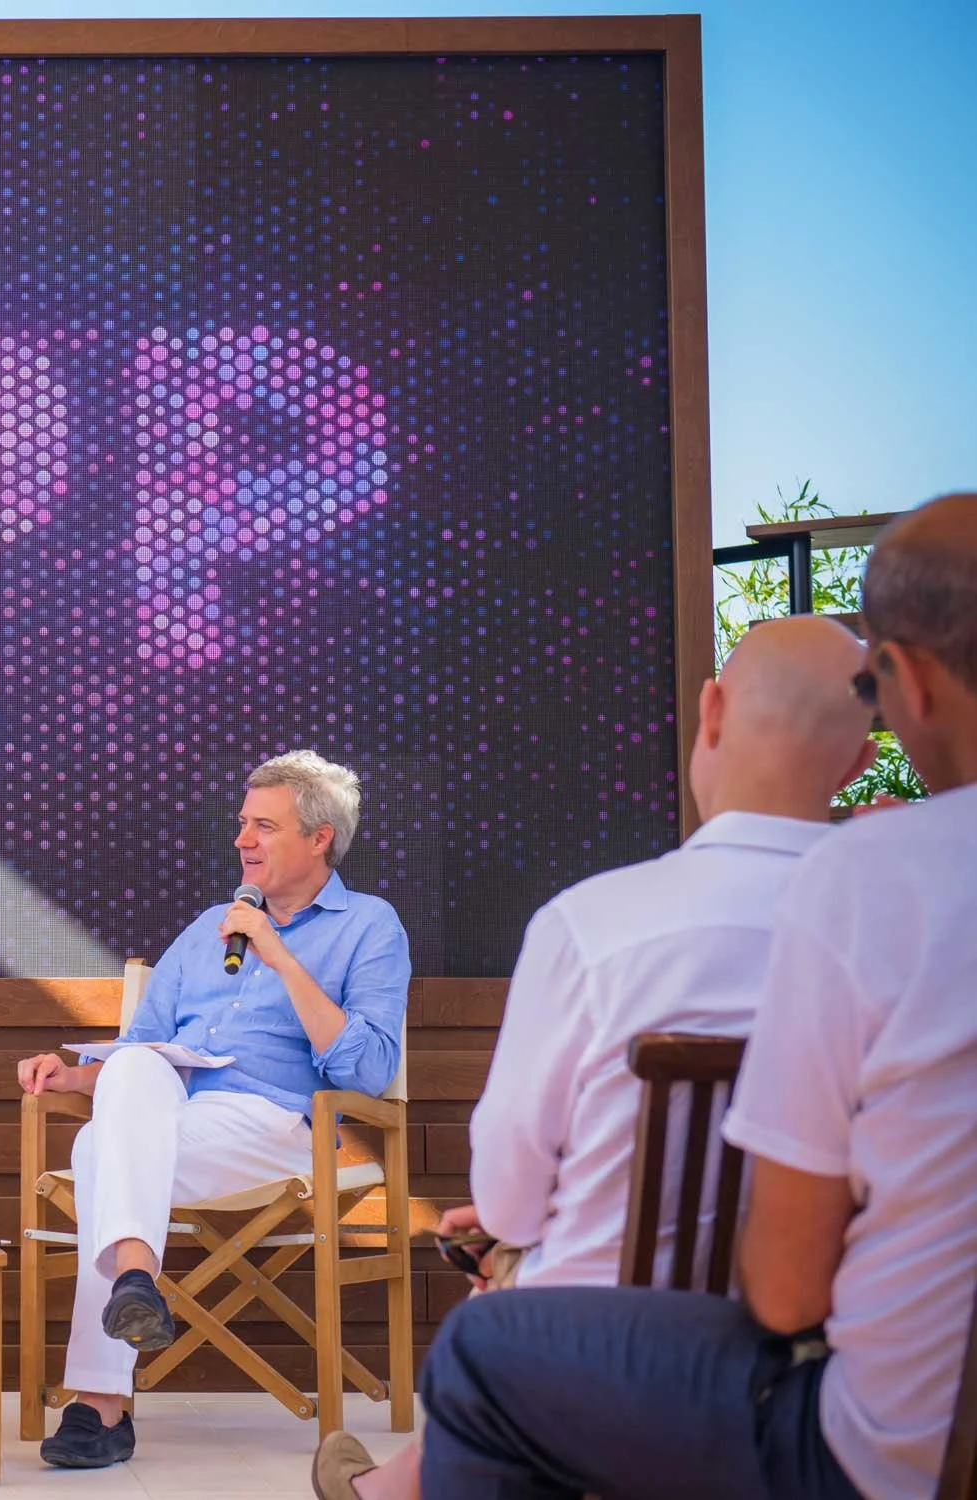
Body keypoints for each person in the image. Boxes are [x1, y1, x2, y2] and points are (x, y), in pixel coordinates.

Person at [410, 493, 977, 1500]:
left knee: (483, 1351)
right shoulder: (864, 868)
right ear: (855, 758)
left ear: (915, 687)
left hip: (878, 1445)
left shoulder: (874, 885)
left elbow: (787, 1290)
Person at [311, 613, 878, 1500]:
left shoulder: (593, 926)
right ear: (857, 764)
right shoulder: (913, 931)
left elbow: (507, 1193)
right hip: (834, 1348)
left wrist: (508, 1226)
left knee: (502, 1287)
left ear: (712, 710)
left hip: (596, 1356)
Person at [15, 749, 411, 1469]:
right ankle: (134, 1281)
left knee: (95, 1154)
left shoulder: (370, 926)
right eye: (241, 824)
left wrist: (279, 956)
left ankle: (101, 1405)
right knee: (126, 1074)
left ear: (319, 838)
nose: (243, 840)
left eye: (264, 825)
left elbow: (371, 1069)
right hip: (175, 1116)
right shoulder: (207, 926)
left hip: (281, 1126)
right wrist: (71, 1077)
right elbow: (141, 1046)